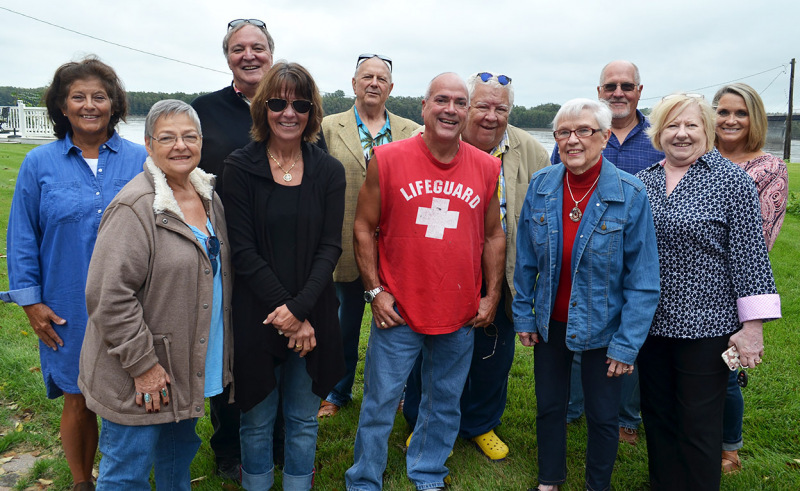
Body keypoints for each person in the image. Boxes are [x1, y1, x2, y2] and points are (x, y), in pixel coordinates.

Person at [344, 72, 505, 491]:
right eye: (441, 100)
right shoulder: (388, 158)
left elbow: (493, 235)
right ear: (423, 106)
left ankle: (429, 471)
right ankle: (364, 478)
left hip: (459, 308)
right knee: (380, 401)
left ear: (467, 111)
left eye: (458, 102)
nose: (450, 109)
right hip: (398, 309)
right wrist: (375, 292)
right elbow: (363, 227)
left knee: (445, 401)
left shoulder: (487, 167)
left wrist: (491, 295)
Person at [1, 57, 146, 491]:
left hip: (133, 302)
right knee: (78, 399)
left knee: (132, 392)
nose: (89, 105)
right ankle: (83, 482)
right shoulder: (39, 163)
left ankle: (127, 475)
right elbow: (22, 236)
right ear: (62, 106)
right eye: (78, 97)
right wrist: (30, 301)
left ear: (114, 104)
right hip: (67, 304)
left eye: (99, 97)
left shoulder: (141, 159)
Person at [78, 99, 232, 489]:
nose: (180, 145)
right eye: (167, 137)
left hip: (187, 365)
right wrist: (143, 366)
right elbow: (107, 296)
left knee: (177, 465)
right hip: (142, 373)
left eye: (189, 136)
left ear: (201, 142)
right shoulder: (136, 207)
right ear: (148, 145)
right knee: (126, 474)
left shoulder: (209, 198)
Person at [513, 98, 660, 491]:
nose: (572, 140)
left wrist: (627, 344)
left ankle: (598, 484)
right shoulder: (543, 185)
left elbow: (643, 280)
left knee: (602, 413)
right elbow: (525, 260)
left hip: (606, 325)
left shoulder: (630, 194)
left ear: (605, 136)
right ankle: (549, 478)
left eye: (584, 131)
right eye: (564, 132)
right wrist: (524, 316)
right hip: (550, 321)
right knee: (549, 407)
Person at [636, 93, 781, 490]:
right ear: (659, 132)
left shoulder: (731, 181)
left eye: (691, 126)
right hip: (650, 325)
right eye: (672, 125)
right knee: (658, 417)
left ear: (707, 130)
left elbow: (751, 259)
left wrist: (752, 329)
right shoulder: (643, 182)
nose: (681, 134)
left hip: (707, 327)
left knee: (699, 427)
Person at [402, 71, 549, 460]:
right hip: (442, 268)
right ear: (465, 107)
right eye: (481, 105)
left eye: (500, 108)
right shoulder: (433, 143)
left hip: (502, 267)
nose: (490, 116)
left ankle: (480, 423)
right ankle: (422, 422)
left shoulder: (532, 150)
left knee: (492, 352)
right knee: (429, 350)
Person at [223, 61, 346, 490]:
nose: (288, 112)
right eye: (277, 102)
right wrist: (289, 313)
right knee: (256, 419)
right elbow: (243, 250)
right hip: (259, 314)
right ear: (263, 108)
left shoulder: (329, 171)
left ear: (312, 112)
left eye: (300, 104)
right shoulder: (239, 168)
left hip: (313, 313)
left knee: (302, 419)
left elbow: (331, 246)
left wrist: (300, 309)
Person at [556, 60, 664, 445]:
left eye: (627, 86)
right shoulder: (575, 135)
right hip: (586, 256)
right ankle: (571, 408)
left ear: (639, 90)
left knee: (628, 338)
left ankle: (626, 418)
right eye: (610, 86)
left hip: (637, 252)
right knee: (577, 327)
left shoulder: (657, 137)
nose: (619, 92)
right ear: (600, 91)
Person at [318, 53, 419, 418]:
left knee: (398, 323)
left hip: (396, 247)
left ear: (391, 88)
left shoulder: (411, 130)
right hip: (344, 243)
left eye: (381, 78)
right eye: (367, 77)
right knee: (342, 324)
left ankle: (404, 390)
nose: (374, 83)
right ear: (354, 84)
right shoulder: (328, 127)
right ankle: (336, 390)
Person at [712, 83, 788, 473]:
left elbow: (760, 238)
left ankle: (729, 448)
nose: (730, 120)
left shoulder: (768, 168)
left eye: (740, 113)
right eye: (723, 111)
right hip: (686, 285)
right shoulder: (697, 156)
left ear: (754, 118)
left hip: (734, 287)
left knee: (726, 369)